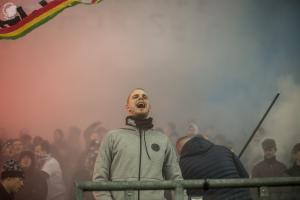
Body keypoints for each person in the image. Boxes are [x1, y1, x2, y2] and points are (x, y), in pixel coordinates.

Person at [93, 88, 183, 200]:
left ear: (150, 107)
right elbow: (99, 179)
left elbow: (176, 180)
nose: (141, 98)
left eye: (144, 97)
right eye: (135, 97)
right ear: (127, 107)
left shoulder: (163, 140)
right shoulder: (112, 137)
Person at [176, 135, 252, 200]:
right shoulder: (223, 149)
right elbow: (244, 175)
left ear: (180, 150)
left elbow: (185, 192)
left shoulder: (182, 165)